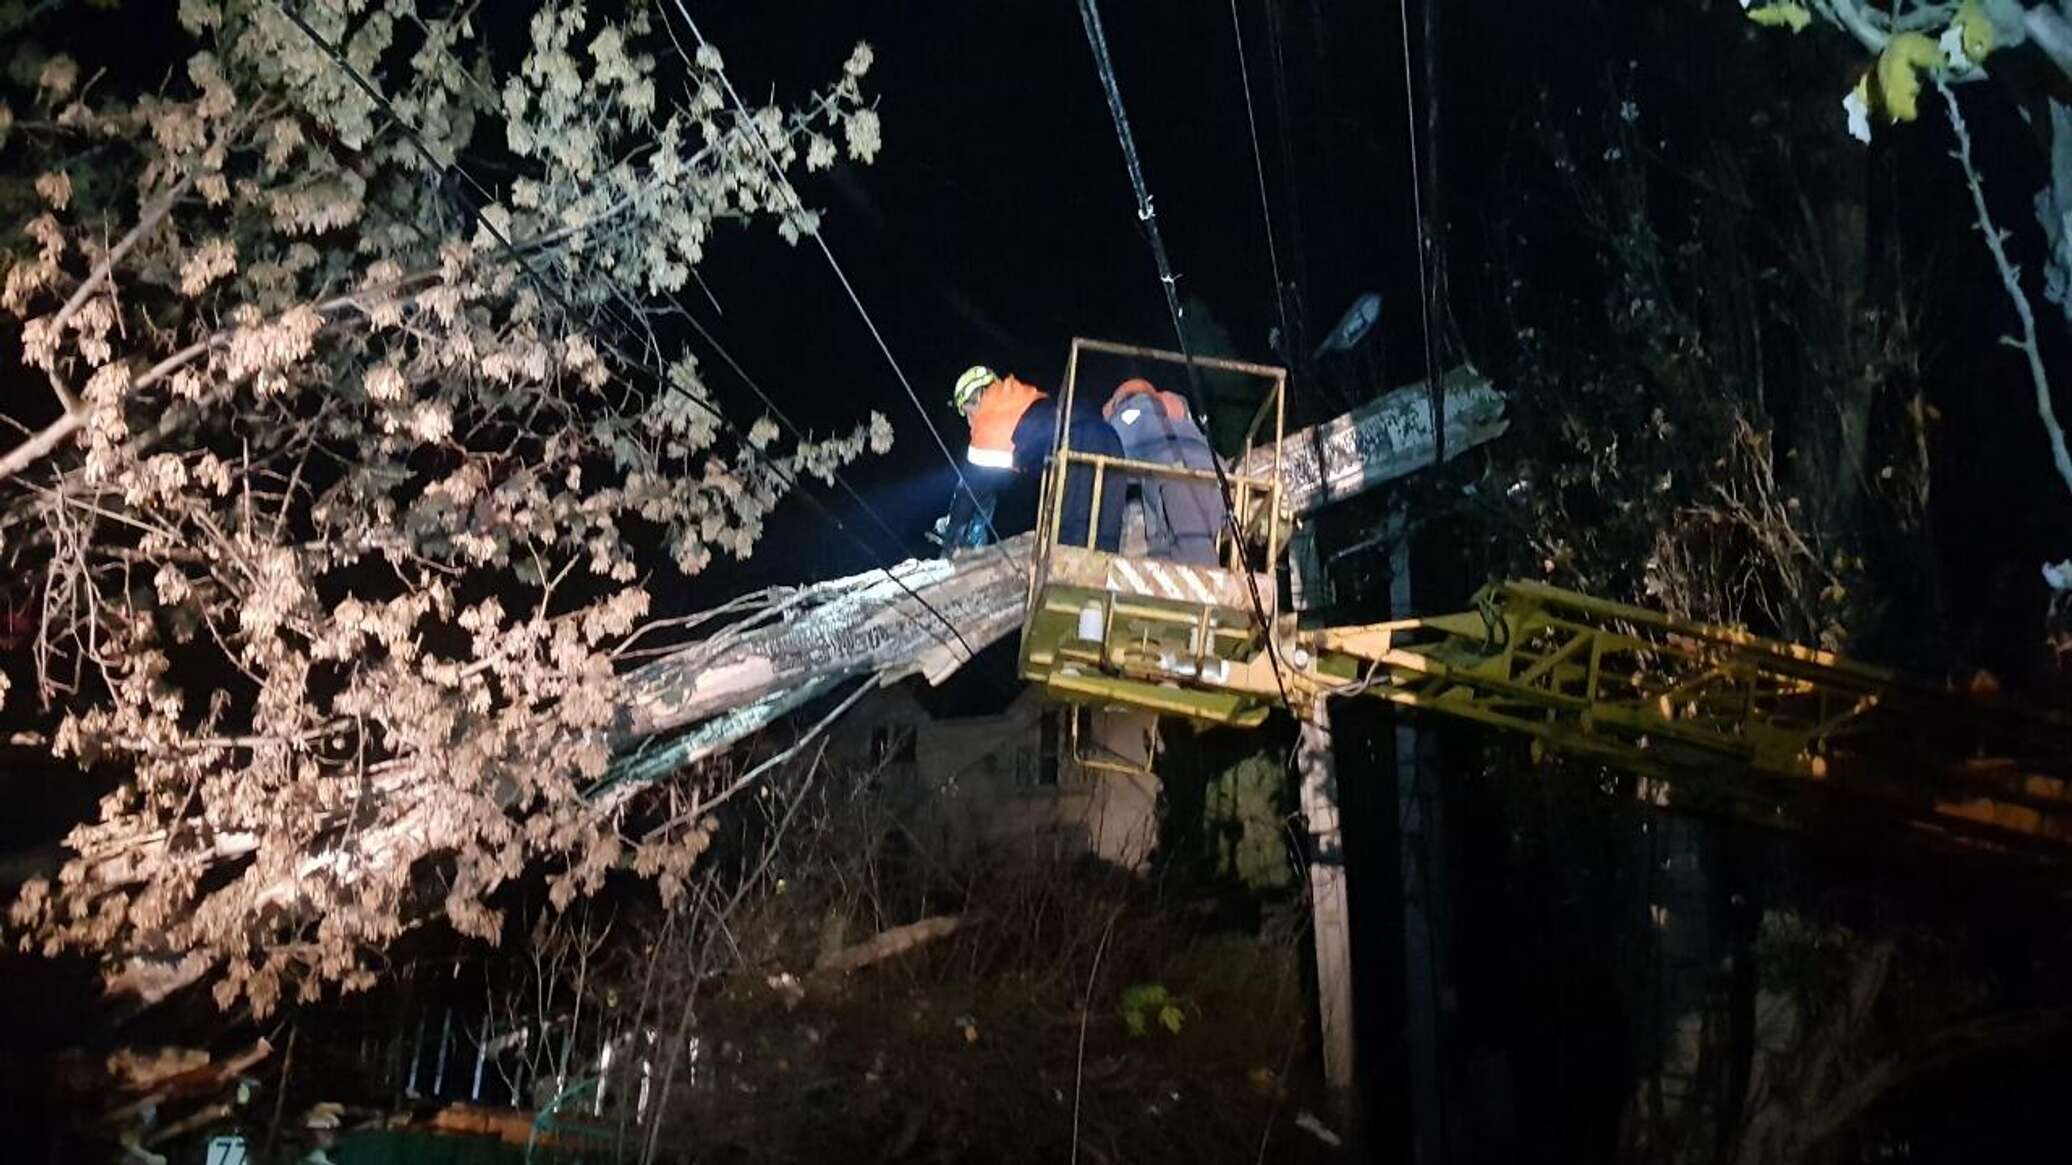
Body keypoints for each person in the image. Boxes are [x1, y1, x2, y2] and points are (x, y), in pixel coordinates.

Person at [933, 365, 1125, 556]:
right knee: (1104, 539)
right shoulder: (1021, 397)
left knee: (1071, 542)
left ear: (976, 399)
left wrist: (952, 536)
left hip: (1076, 447)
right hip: (1109, 439)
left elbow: (969, 489)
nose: (969, 421)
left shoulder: (988, 417)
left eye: (967, 412)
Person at [1103, 377, 1226, 566]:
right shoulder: (1177, 412)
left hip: (1175, 476)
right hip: (1216, 477)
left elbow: (1116, 450)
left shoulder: (1133, 411)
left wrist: (1112, 417)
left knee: (1191, 554)